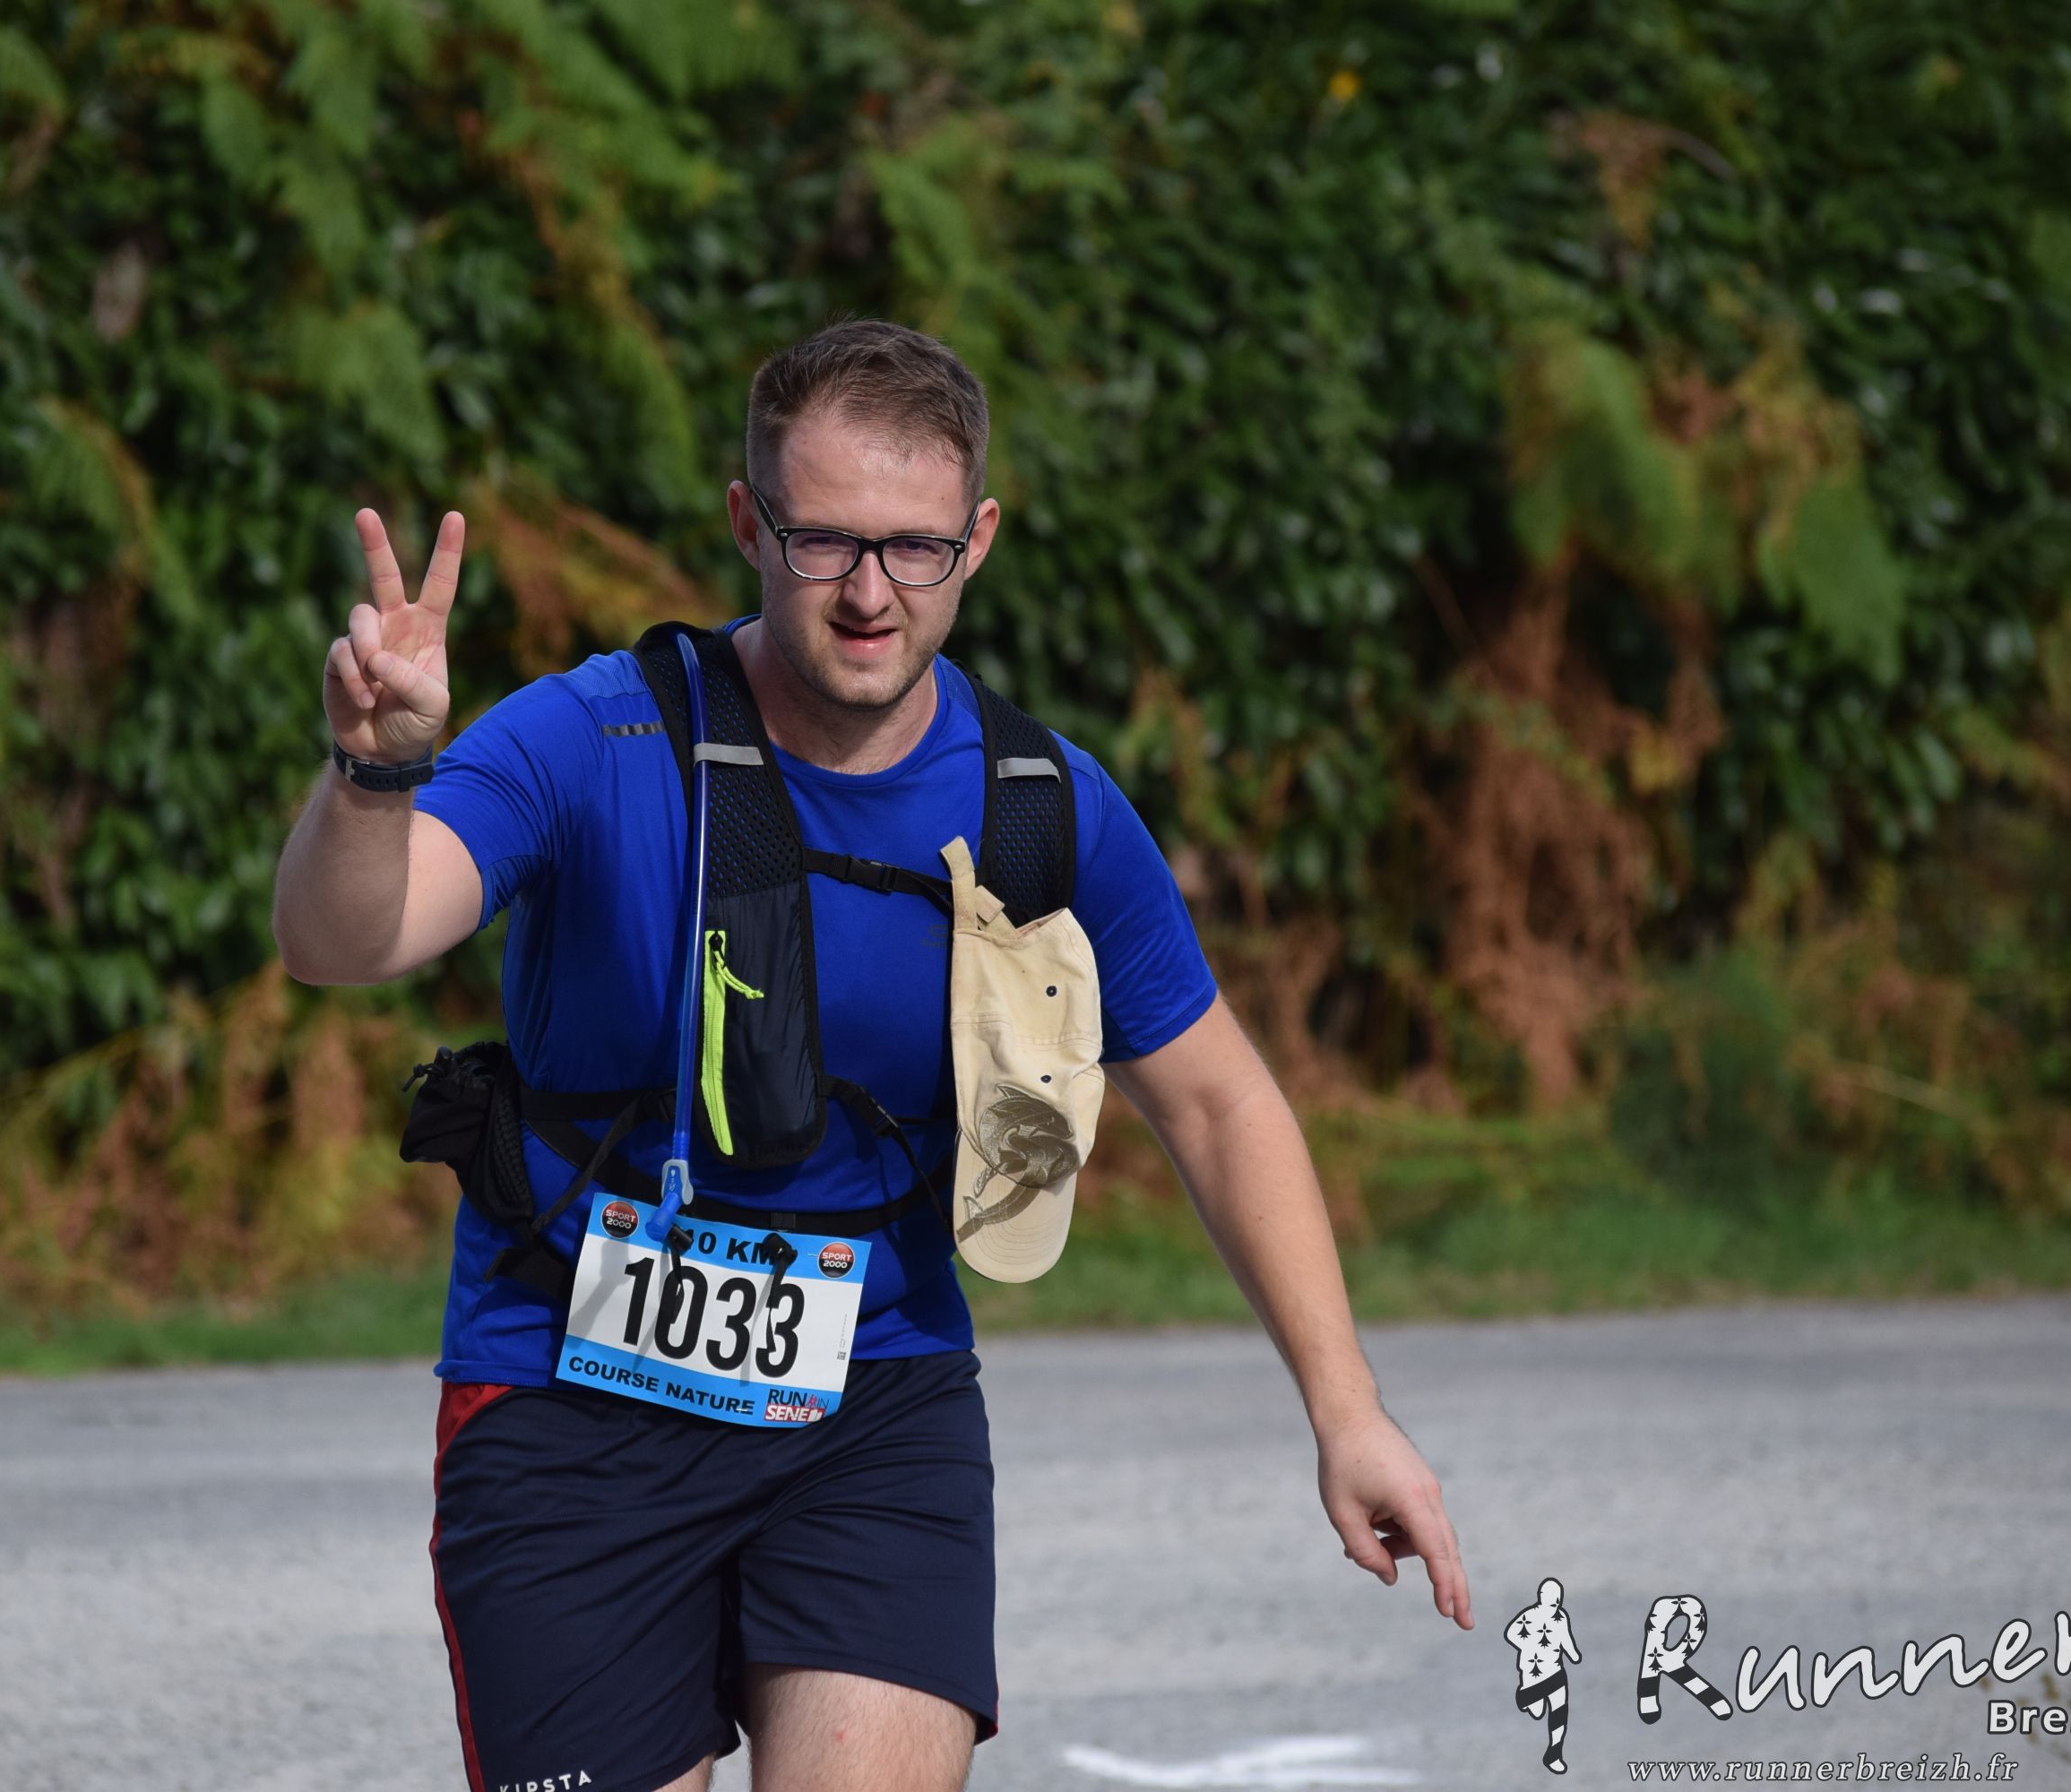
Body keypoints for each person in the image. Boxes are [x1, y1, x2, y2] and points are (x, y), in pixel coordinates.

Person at [271, 319, 1472, 1792]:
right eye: (824, 540)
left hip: (874, 1407)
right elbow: (344, 940)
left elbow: (1220, 1104)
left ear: (978, 541)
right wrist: (378, 774)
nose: (867, 592)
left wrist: (1348, 1411)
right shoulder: (592, 740)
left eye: (914, 549)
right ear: (747, 524)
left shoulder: (1041, 804)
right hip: (568, 1406)